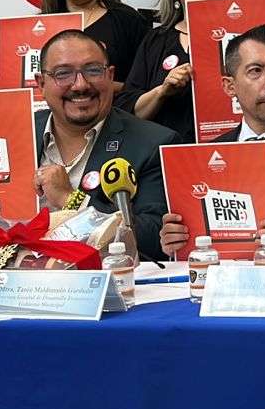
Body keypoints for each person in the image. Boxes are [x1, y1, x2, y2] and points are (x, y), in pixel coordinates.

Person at [158, 24, 265, 259]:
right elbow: (191, 248)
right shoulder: (202, 159)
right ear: (229, 86)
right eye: (256, 71)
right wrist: (175, 243)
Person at [34, 29, 175, 260]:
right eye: (63, 73)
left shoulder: (152, 143)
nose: (80, 85)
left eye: (93, 71)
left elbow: (154, 238)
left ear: (110, 75)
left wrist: (71, 200)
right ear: (41, 83)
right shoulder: (16, 135)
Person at [115, 0, 242, 142]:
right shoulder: (156, 40)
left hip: (237, 152)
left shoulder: (246, 36)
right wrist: (162, 91)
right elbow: (126, 111)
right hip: (165, 155)